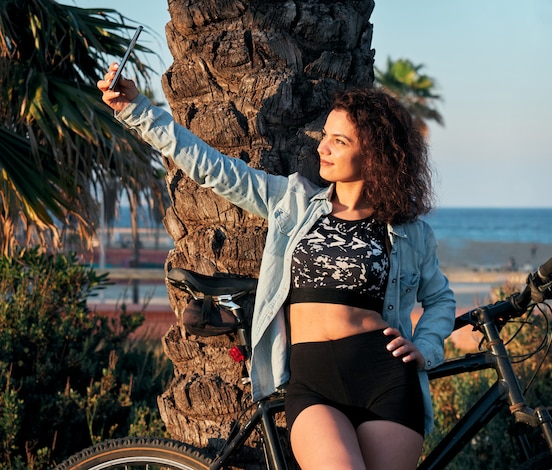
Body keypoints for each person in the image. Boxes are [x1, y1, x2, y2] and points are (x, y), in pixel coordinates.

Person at [98, 62, 456, 470]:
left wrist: (426, 349)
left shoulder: (408, 232)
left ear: (372, 153)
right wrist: (136, 110)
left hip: (388, 383)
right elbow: (212, 167)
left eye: (339, 141)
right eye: (325, 136)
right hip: (314, 386)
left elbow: (440, 299)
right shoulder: (293, 202)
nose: (323, 148)